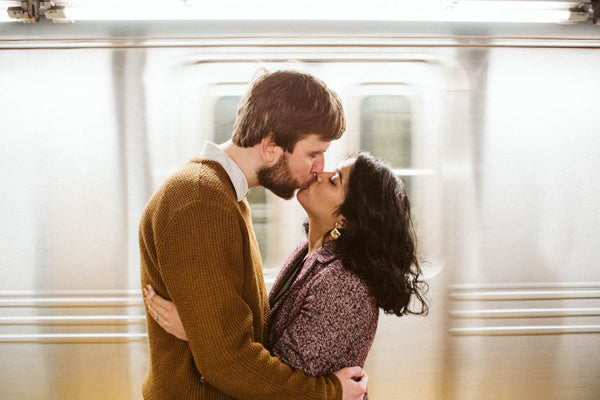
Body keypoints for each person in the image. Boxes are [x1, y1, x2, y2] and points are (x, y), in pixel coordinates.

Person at [139, 69, 369, 400]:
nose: (320, 167)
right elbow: (226, 361)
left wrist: (204, 334)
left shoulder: (223, 197)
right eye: (312, 153)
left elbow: (229, 340)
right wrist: (328, 391)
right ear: (271, 146)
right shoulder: (201, 201)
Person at [145, 153, 430, 399]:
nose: (320, 172)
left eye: (335, 180)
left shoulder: (344, 285)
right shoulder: (305, 254)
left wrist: (202, 335)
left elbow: (274, 389)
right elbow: (268, 347)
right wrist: (208, 331)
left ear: (345, 219)